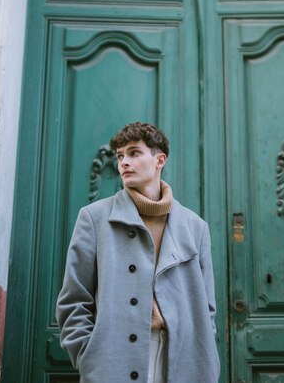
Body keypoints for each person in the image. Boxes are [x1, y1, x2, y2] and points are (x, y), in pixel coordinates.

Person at [56, 122, 220, 383]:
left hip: (183, 359)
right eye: (120, 156)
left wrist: (204, 353)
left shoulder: (195, 227)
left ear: (159, 160)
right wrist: (88, 356)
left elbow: (207, 307)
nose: (124, 162)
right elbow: (74, 299)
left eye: (134, 153)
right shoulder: (94, 218)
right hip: (114, 358)